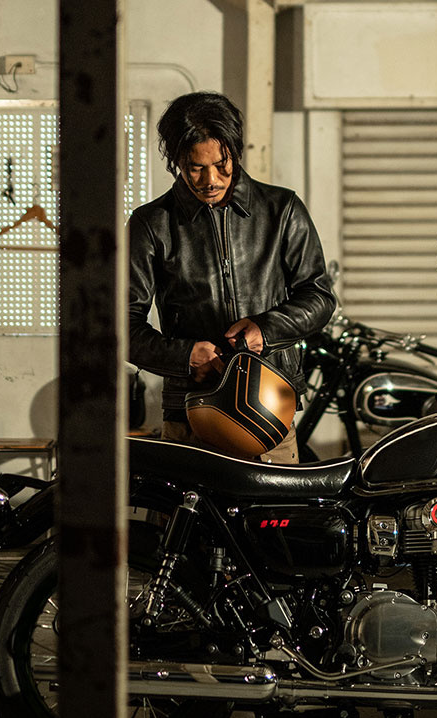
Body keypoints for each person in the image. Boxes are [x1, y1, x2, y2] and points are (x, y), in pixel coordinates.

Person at [128, 91, 335, 464]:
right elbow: (121, 326)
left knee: (271, 505)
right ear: (176, 161)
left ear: (236, 153)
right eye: (195, 167)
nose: (210, 180)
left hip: (270, 414)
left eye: (221, 164)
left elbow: (319, 297)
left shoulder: (282, 210)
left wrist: (265, 329)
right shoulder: (151, 224)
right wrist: (186, 356)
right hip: (189, 417)